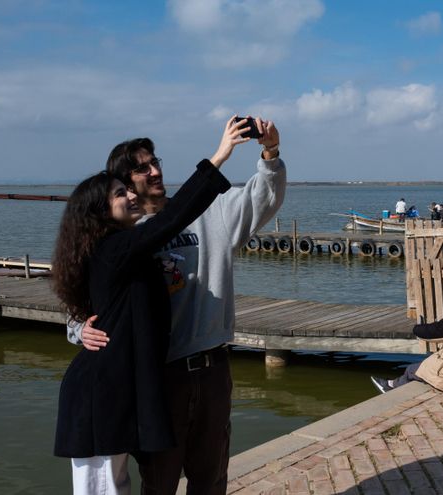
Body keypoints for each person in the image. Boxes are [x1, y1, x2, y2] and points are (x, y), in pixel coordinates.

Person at [70, 117, 286, 494]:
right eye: (141, 168)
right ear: (122, 185)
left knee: (212, 477)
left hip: (212, 366)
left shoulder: (211, 210)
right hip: (157, 379)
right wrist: (77, 329)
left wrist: (270, 154)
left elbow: (260, 199)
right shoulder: (121, 237)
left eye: (155, 162)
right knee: (160, 481)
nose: (154, 171)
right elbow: (83, 295)